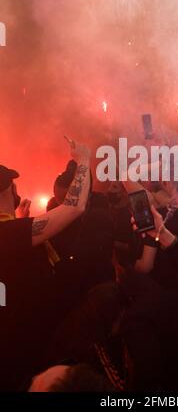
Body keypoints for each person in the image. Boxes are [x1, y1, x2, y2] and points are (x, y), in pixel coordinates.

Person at [0, 139, 91, 390]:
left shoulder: (12, 232)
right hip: (25, 354)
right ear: (8, 190)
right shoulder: (9, 234)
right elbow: (74, 207)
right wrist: (83, 160)